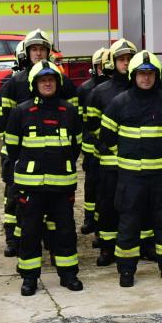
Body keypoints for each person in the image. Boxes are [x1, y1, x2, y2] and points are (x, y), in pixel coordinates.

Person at [101, 50, 162, 287]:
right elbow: (106, 136)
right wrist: (125, 155)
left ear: (156, 75)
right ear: (133, 75)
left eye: (150, 73)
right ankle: (126, 270)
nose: (146, 78)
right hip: (131, 179)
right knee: (129, 226)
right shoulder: (120, 102)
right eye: (141, 73)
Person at [1, 60, 83, 295]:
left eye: (51, 80)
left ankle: (68, 275)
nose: (47, 84)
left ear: (57, 83)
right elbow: (12, 149)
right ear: (34, 84)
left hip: (62, 186)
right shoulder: (21, 111)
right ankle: (29, 278)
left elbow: (76, 145)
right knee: (30, 233)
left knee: (65, 232)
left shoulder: (69, 111)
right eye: (43, 80)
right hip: (31, 187)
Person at [0, 29, 53, 256]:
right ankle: (13, 239)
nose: (38, 53)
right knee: (13, 197)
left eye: (42, 49)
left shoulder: (56, 80)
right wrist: (16, 151)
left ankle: (48, 238)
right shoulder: (13, 83)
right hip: (17, 153)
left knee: (49, 198)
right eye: (34, 49)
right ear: (27, 53)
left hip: (48, 152)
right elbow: (2, 123)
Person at [88, 39, 138, 266]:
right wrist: (109, 145)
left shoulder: (142, 89)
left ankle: (139, 245)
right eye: (121, 59)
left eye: (129, 59)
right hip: (110, 160)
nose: (125, 63)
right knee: (108, 205)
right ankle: (107, 248)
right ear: (113, 62)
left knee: (136, 205)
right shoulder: (100, 92)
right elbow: (92, 125)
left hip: (137, 161)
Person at [75, 47, 108, 235]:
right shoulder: (85, 89)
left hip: (108, 146)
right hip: (90, 146)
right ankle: (89, 218)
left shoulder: (115, 88)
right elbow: (79, 119)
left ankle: (101, 219)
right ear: (94, 68)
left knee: (106, 187)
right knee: (91, 185)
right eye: (99, 66)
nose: (102, 69)